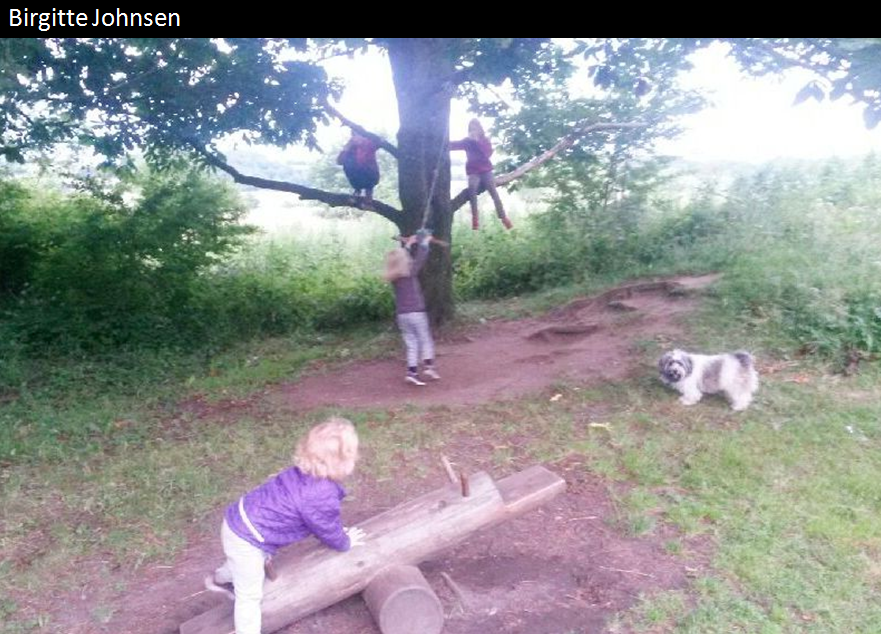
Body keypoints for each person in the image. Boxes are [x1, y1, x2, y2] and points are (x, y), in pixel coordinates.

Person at [204, 417, 366, 634]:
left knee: (241, 562)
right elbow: (326, 528)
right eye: (352, 456)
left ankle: (219, 580)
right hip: (248, 539)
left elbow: (321, 520)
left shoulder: (302, 473)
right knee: (249, 596)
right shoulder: (320, 494)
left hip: (238, 521)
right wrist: (345, 542)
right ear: (340, 463)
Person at [383, 229, 440, 386]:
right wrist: (424, 243)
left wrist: (408, 245)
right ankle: (428, 367)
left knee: (411, 344)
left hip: (402, 315)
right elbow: (420, 258)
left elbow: (401, 260)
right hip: (416, 313)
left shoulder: (394, 276)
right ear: (404, 261)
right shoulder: (410, 272)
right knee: (425, 339)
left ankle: (412, 373)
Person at [449, 118, 512, 231]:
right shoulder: (467, 141)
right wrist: (443, 143)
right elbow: (454, 145)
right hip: (473, 171)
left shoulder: (484, 140)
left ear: (480, 129)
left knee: (493, 192)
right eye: (471, 129)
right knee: (472, 190)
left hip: (485, 170)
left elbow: (487, 153)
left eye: (475, 129)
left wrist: (477, 142)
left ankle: (503, 217)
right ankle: (475, 218)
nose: (473, 131)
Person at [337, 131, 380, 206]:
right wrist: (347, 148)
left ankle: (366, 199)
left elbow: (377, 143)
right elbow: (340, 161)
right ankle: (359, 195)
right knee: (349, 163)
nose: (357, 138)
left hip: (368, 174)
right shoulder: (351, 148)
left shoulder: (367, 143)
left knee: (368, 186)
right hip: (358, 175)